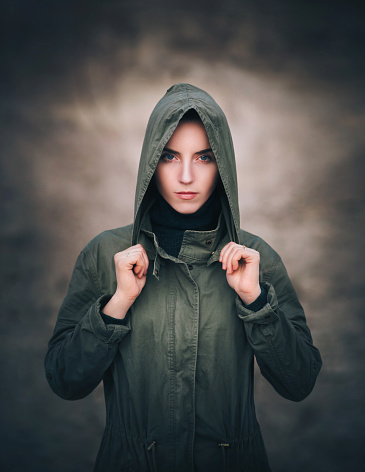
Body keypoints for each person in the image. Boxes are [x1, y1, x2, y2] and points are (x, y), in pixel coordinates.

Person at [45, 83, 322, 472]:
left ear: (223, 164)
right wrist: (117, 304)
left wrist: (256, 303)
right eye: (170, 157)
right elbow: (64, 380)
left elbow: (299, 382)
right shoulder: (106, 255)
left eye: (204, 158)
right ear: (150, 163)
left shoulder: (256, 260)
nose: (187, 176)